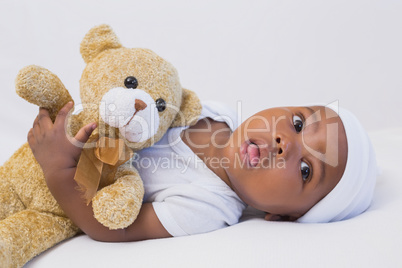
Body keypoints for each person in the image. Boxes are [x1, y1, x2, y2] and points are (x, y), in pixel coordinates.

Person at [27, 100, 376, 242]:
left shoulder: (208, 207)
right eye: (299, 123)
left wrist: (58, 166)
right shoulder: (215, 111)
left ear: (283, 217)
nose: (286, 142)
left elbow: (111, 228)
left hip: (54, 181)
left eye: (304, 171)